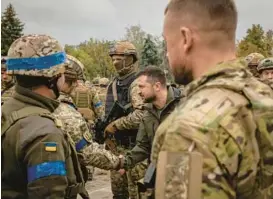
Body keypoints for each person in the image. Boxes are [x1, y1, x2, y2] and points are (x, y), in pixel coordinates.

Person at [151, 0, 273, 199]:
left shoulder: (187, 130)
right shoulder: (265, 96)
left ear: (185, 39)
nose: (167, 53)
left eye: (167, 43)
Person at [1, 34, 85, 198]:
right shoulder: (44, 133)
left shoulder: (7, 109)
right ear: (52, 78)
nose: (63, 76)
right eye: (62, 72)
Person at [52, 59, 123, 198]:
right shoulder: (67, 114)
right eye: (76, 81)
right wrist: (119, 161)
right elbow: (87, 152)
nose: (78, 84)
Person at [122, 66, 182, 197]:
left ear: (157, 86)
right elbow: (143, 146)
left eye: (142, 87)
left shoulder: (185, 104)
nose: (138, 92)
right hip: (158, 177)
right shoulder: (148, 113)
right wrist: (124, 162)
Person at [104, 41, 146, 199]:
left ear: (130, 59)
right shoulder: (112, 85)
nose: (115, 62)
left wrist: (116, 125)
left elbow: (141, 116)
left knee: (136, 193)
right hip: (116, 149)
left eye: (119, 58)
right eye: (113, 59)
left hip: (135, 150)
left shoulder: (137, 84)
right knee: (118, 194)